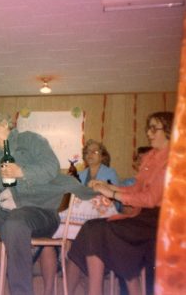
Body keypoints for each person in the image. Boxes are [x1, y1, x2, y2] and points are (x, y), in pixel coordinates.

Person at [0, 110, 95, 295]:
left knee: (15, 224)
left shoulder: (30, 140)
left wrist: (21, 171)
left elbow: (51, 167)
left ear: (5, 124)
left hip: (40, 211)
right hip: (5, 212)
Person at [67, 111, 174, 295]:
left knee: (100, 231)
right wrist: (110, 188)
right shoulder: (151, 156)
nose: (148, 133)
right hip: (143, 216)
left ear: (169, 131)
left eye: (154, 129)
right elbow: (137, 189)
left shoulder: (172, 160)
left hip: (161, 222)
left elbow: (150, 198)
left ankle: (128, 288)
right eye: (148, 129)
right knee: (91, 228)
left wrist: (114, 193)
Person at [39, 139, 120, 295]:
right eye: (87, 152)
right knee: (52, 240)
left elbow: (112, 199)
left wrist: (99, 186)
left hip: (99, 220)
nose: (90, 154)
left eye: (94, 151)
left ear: (103, 156)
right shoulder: (80, 174)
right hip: (77, 218)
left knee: (77, 244)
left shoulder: (110, 173)